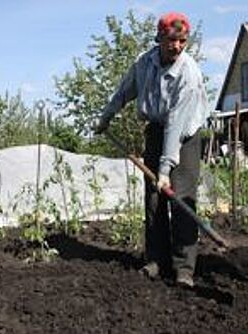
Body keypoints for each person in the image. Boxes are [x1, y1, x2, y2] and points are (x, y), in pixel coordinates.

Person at [93, 12, 208, 288]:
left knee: (181, 197)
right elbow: (124, 91)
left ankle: (184, 268)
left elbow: (176, 123)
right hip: (156, 131)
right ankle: (157, 260)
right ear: (159, 39)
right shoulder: (144, 63)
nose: (178, 46)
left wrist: (165, 168)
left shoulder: (188, 73)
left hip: (185, 136)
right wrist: (106, 116)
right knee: (155, 198)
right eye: (172, 40)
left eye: (182, 41)